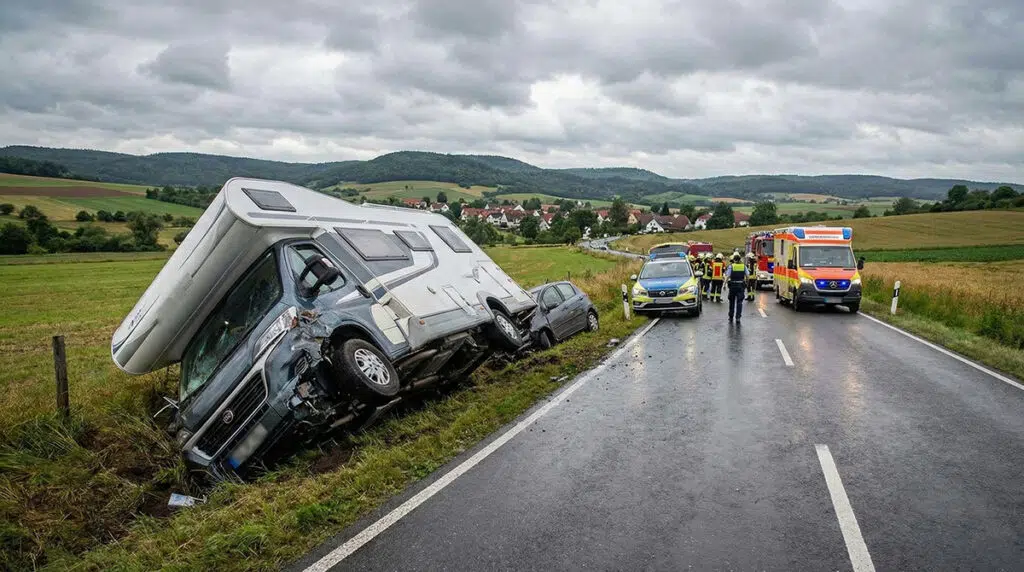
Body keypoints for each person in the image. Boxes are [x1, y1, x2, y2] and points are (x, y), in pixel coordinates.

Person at [725, 252, 747, 321]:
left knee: (731, 301)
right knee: (739, 302)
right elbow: (748, 275)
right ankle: (738, 317)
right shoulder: (744, 266)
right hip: (740, 286)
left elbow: (727, 276)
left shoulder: (731, 266)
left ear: (734, 260)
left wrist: (724, 284)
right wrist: (747, 282)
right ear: (740, 259)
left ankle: (731, 316)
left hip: (733, 286)